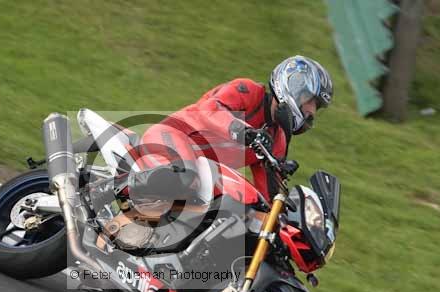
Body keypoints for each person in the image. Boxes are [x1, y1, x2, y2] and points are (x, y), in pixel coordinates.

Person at [129, 55, 333, 203]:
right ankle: (125, 185)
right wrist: (245, 131)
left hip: (203, 172)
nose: (311, 111)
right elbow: (210, 109)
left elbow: (267, 196)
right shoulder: (249, 91)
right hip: (171, 138)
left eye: (317, 107)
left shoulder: (277, 140)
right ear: (293, 86)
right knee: (186, 176)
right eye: (310, 100)